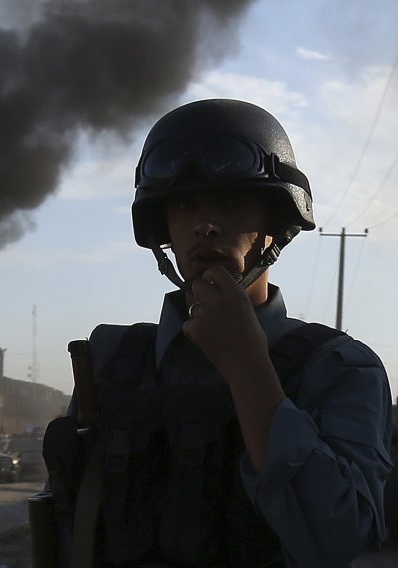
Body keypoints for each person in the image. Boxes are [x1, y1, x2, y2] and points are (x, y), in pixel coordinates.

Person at [44, 99, 393, 567]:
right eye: (184, 205)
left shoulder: (339, 370)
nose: (203, 225)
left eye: (229, 200)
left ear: (276, 224)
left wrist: (249, 368)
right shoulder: (113, 362)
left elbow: (334, 540)